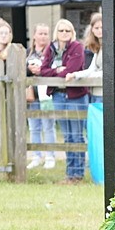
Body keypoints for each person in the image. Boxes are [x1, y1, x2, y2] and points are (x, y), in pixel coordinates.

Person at [40, 18, 87, 184]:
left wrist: (56, 71)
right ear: (56, 32)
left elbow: (73, 69)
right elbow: (43, 70)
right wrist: (58, 70)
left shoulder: (77, 47)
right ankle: (69, 174)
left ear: (72, 32)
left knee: (77, 135)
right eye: (61, 30)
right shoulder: (51, 48)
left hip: (76, 95)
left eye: (68, 30)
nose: (64, 33)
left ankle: (78, 174)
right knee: (67, 136)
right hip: (58, 95)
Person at [25, 24, 56, 170]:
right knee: (34, 127)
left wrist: (42, 70)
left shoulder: (53, 52)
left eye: (45, 34)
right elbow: (20, 71)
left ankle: (50, 156)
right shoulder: (27, 53)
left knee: (48, 126)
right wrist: (29, 69)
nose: (43, 36)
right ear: (34, 35)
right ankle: (36, 156)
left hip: (46, 95)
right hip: (32, 95)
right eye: (40, 33)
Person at [67, 12, 103, 104]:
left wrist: (91, 75)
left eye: (102, 27)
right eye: (96, 28)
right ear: (92, 30)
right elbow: (91, 69)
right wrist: (75, 75)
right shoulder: (98, 48)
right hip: (95, 93)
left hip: (107, 94)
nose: (99, 30)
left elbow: (113, 72)